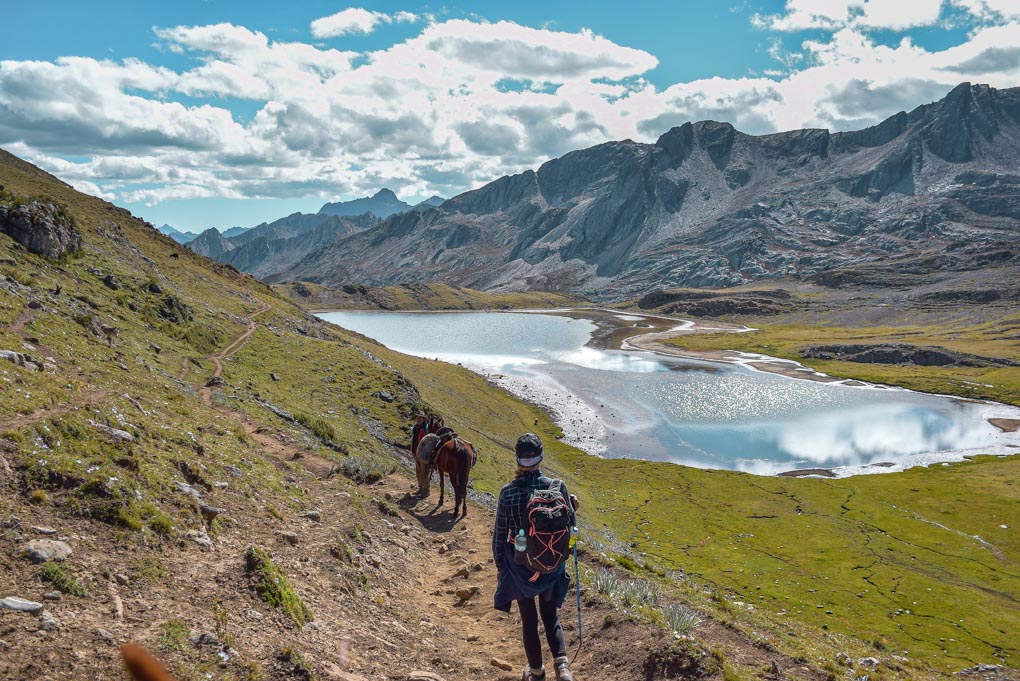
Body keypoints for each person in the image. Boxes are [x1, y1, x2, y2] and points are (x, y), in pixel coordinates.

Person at [493, 433, 578, 681]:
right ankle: (563, 668)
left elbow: (500, 534)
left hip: (520, 567)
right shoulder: (558, 486)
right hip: (552, 564)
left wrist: (501, 566)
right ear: (541, 458)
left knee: (529, 619)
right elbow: (571, 526)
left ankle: (537, 672)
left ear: (518, 459)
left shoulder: (507, 492)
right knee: (550, 616)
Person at [410, 411, 429, 493]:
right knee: (418, 471)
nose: (418, 419)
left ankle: (426, 490)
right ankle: (420, 487)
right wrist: (413, 451)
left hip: (424, 453)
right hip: (416, 452)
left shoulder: (426, 429)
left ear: (423, 419)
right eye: (417, 418)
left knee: (424, 471)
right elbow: (414, 440)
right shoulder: (415, 428)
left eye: (420, 418)